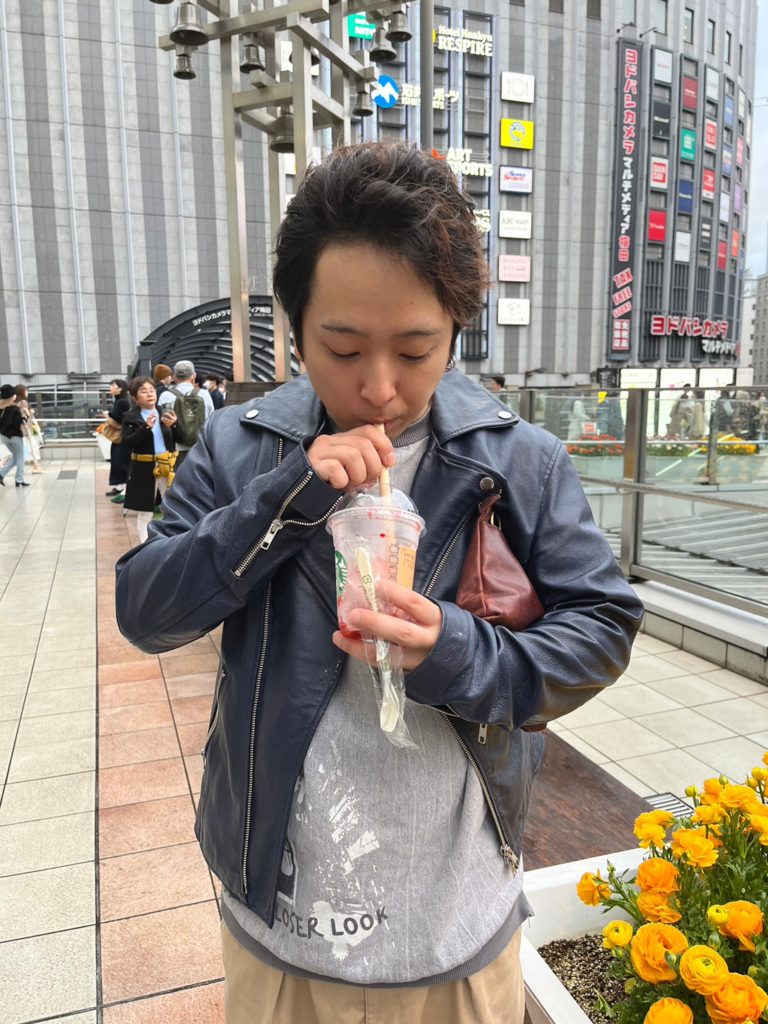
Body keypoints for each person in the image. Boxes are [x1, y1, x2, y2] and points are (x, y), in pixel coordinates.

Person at [115, 143, 643, 1024]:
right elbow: (146, 610)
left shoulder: (520, 460)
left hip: (456, 921)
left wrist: (453, 651)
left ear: (456, 330)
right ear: (296, 327)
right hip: (281, 918)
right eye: (343, 347)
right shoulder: (242, 446)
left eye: (416, 348)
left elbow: (601, 629)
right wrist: (285, 501)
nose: (380, 388)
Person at [120, 377, 179, 543]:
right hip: (143, 468)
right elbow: (127, 443)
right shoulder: (130, 417)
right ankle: (144, 544)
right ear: (135, 397)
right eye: (143, 391)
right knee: (145, 511)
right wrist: (146, 427)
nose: (149, 394)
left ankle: (170, 540)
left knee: (171, 506)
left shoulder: (165, 413)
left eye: (152, 390)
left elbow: (180, 437)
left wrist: (174, 425)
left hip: (166, 465)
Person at [156, 359, 214, 467]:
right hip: (201, 449)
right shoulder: (204, 394)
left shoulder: (166, 395)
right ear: (193, 375)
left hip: (175, 451)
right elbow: (211, 420)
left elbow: (162, 424)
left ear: (174, 377)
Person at [105, 379, 131, 501]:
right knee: (117, 461)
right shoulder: (119, 401)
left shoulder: (123, 402)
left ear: (120, 388)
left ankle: (123, 487)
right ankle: (119, 486)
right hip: (119, 437)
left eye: (113, 385)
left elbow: (123, 420)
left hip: (122, 437)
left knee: (120, 461)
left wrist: (109, 415)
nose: (110, 387)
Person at [0, 384, 30, 487]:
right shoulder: (15, 409)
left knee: (16, 456)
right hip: (15, 437)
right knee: (21, 457)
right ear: (12, 396)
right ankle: (19, 480)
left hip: (4, 436)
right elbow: (18, 424)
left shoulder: (1, 409)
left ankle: (1, 474)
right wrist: (26, 416)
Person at [14, 384, 44, 472]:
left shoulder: (16, 403)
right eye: (26, 391)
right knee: (32, 447)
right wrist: (29, 413)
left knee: (29, 447)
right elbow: (24, 417)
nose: (27, 393)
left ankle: (35, 466)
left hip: (22, 429)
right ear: (21, 392)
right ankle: (35, 467)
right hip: (26, 429)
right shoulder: (23, 402)